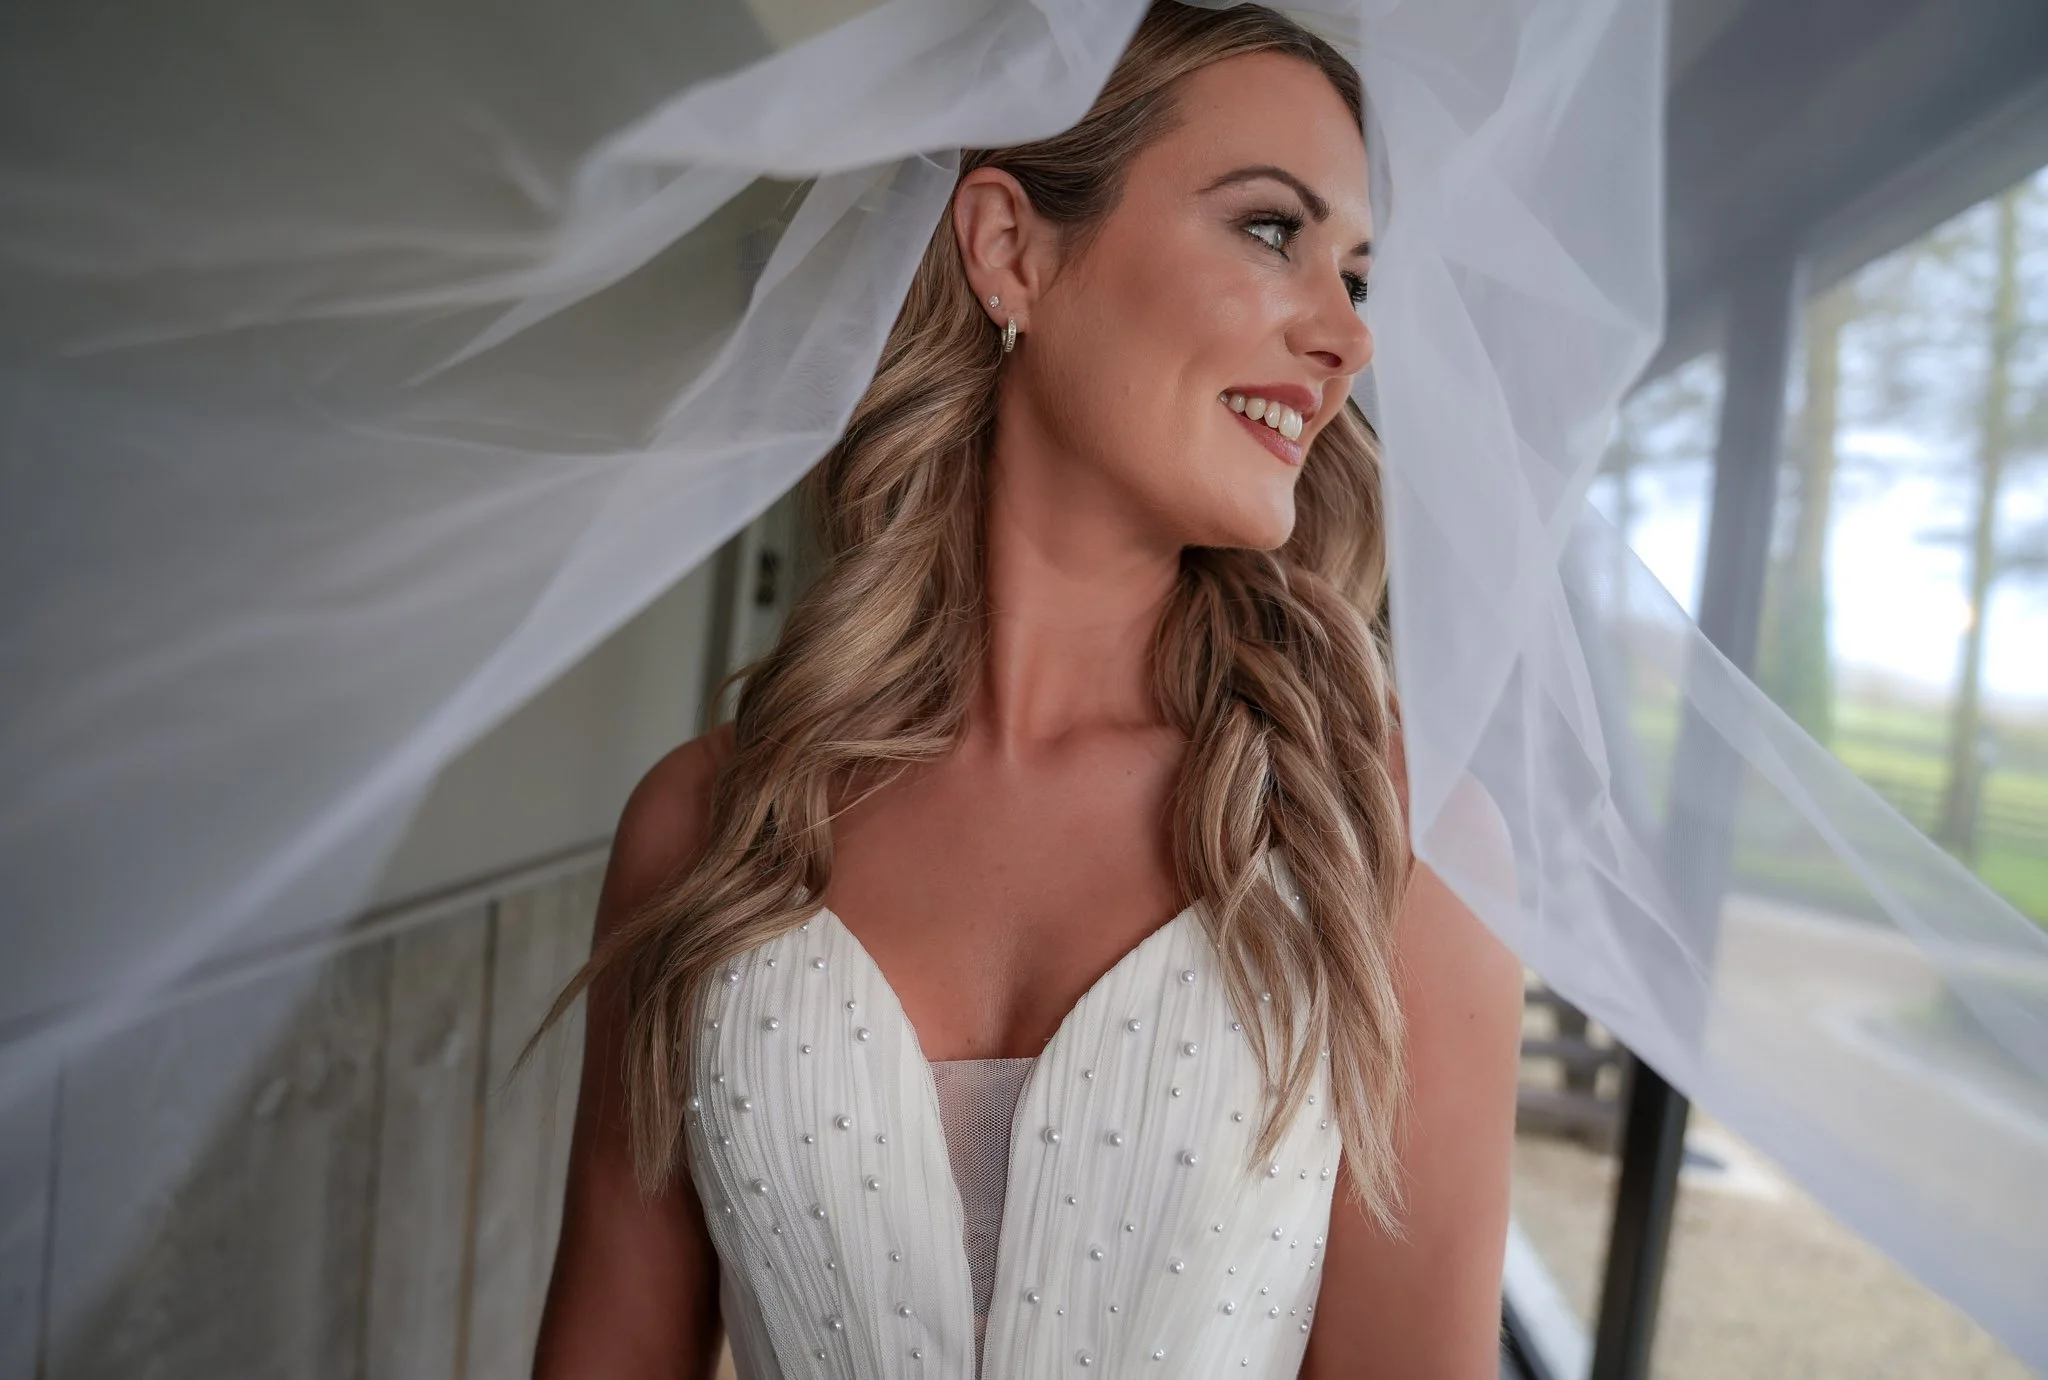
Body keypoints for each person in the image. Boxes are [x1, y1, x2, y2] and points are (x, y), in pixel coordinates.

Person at [530, 5, 1524, 1376]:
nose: (1347, 337)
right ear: (1011, 248)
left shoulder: (1396, 843)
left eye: (1357, 275)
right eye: (1269, 231)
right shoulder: (706, 830)